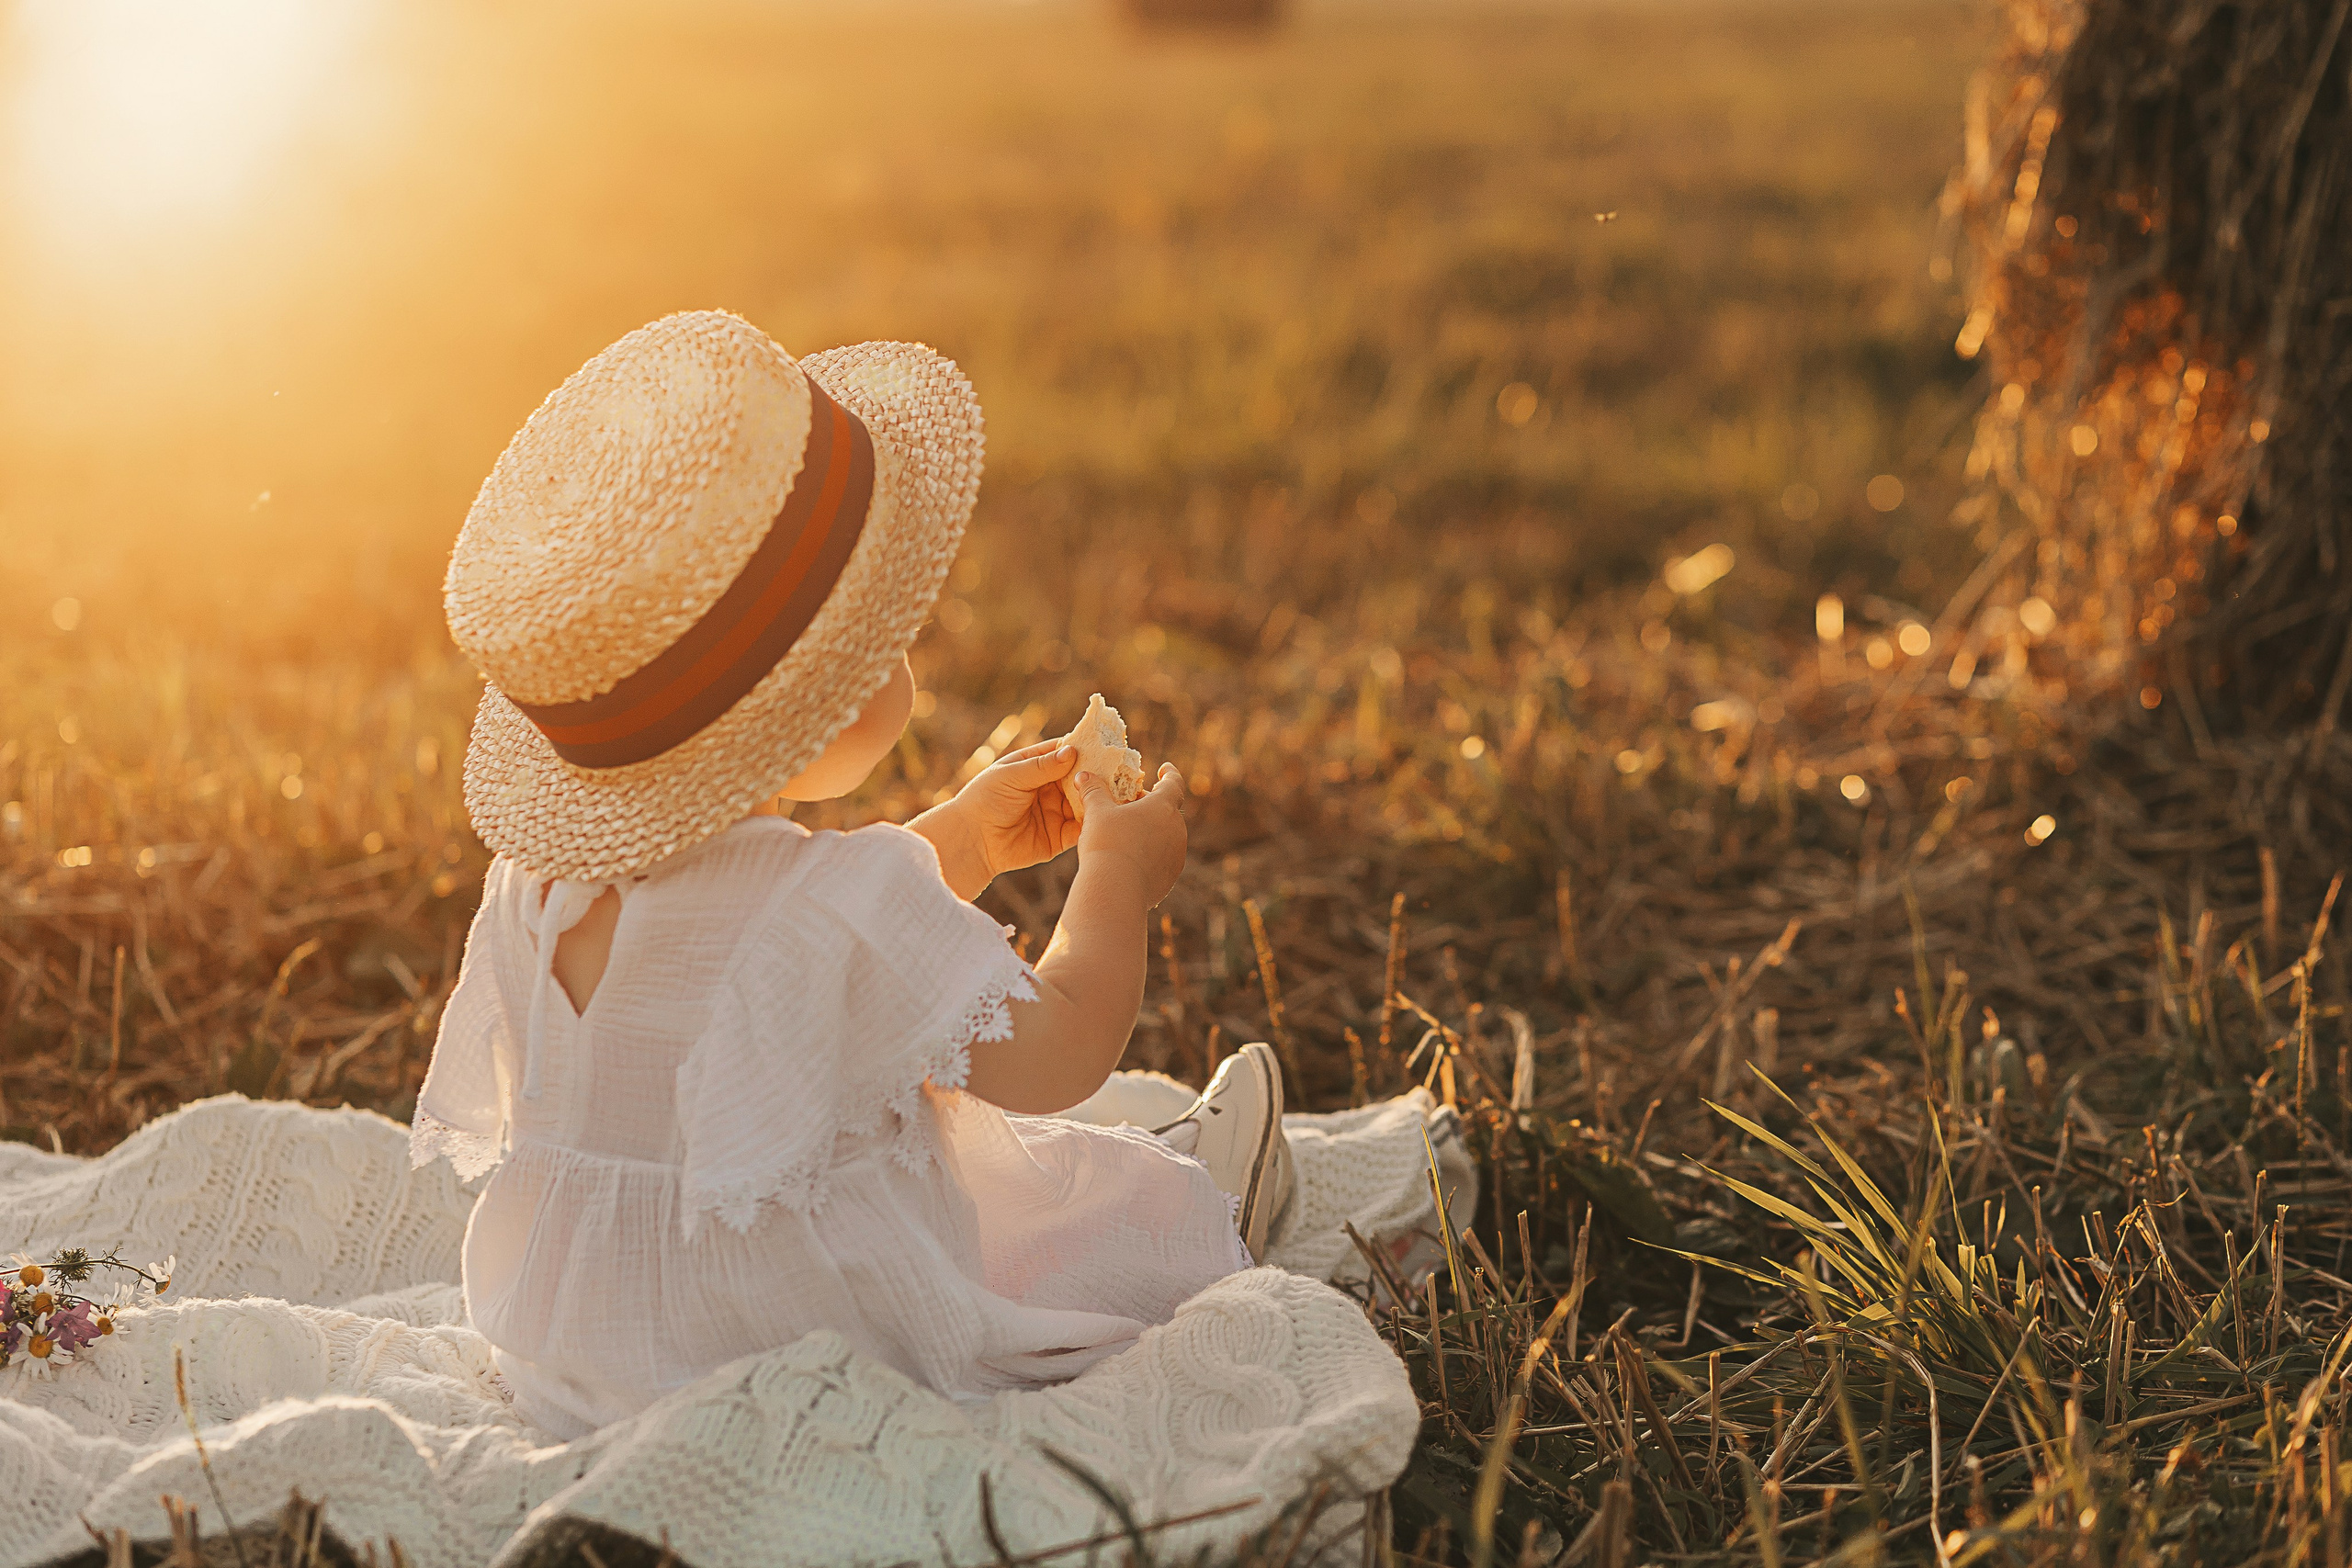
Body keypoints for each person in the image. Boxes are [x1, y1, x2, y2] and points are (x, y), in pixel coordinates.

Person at [409, 310, 1294, 1439]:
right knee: (1087, 1199)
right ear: (827, 690)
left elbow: (761, 954)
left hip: (582, 1355)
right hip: (801, 1337)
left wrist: (966, 841)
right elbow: (1060, 1047)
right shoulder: (836, 903)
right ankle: (1212, 1196)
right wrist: (1118, 874)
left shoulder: (534, 889)